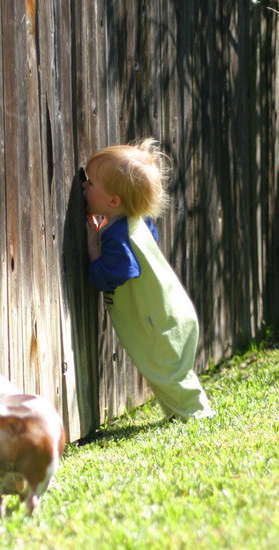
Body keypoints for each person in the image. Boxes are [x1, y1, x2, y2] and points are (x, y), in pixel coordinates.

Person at [84, 138, 214, 420]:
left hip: (158, 324)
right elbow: (149, 240)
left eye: (90, 183)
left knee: (169, 374)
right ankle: (179, 413)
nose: (84, 186)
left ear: (113, 201)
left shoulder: (118, 237)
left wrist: (95, 249)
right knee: (170, 373)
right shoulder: (136, 221)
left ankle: (198, 415)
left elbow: (116, 273)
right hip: (172, 314)